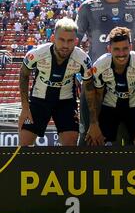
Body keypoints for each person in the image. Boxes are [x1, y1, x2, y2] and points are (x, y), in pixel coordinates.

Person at [75, 0, 135, 146]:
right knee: (89, 136)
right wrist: (80, 75)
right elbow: (74, 41)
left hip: (129, 84)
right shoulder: (88, 6)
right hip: (95, 83)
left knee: (131, 138)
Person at [18, 18, 94, 146]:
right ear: (53, 38)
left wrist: (93, 122)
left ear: (76, 41)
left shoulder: (83, 59)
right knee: (24, 144)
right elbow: (23, 74)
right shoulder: (37, 53)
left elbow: (90, 89)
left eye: (70, 41)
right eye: (61, 40)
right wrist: (25, 108)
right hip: (38, 100)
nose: (65, 45)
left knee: (70, 144)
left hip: (66, 102)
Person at [87, 27, 135, 146]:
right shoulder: (99, 65)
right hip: (109, 108)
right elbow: (97, 96)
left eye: (125, 49)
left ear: (130, 47)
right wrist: (94, 124)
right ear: (109, 49)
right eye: (116, 49)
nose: (121, 54)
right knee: (95, 141)